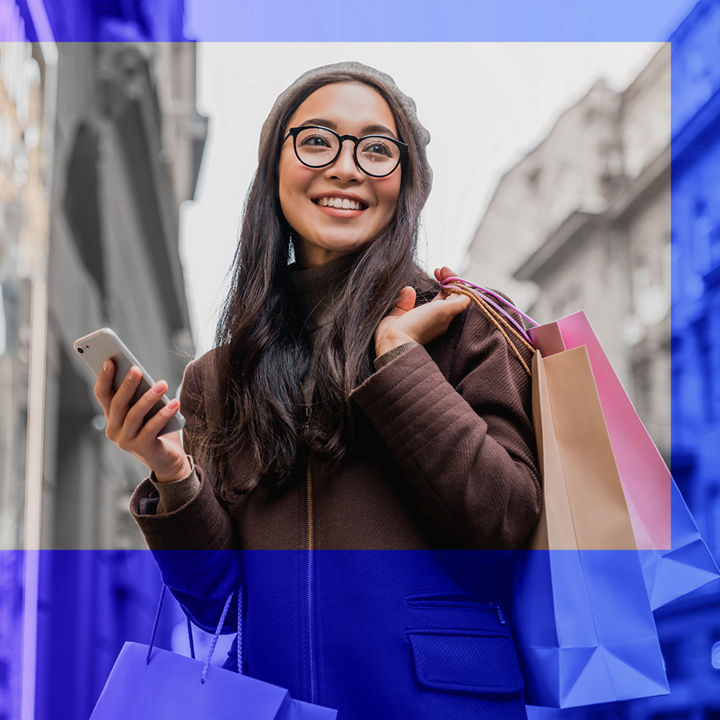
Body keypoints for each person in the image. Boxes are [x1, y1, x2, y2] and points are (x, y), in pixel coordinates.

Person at [93, 61, 541, 719]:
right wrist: (173, 471)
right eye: (317, 141)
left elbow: (505, 531)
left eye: (377, 149)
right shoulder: (220, 377)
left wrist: (399, 365)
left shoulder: (461, 327)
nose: (346, 167)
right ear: (275, 169)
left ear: (406, 184)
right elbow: (216, 606)